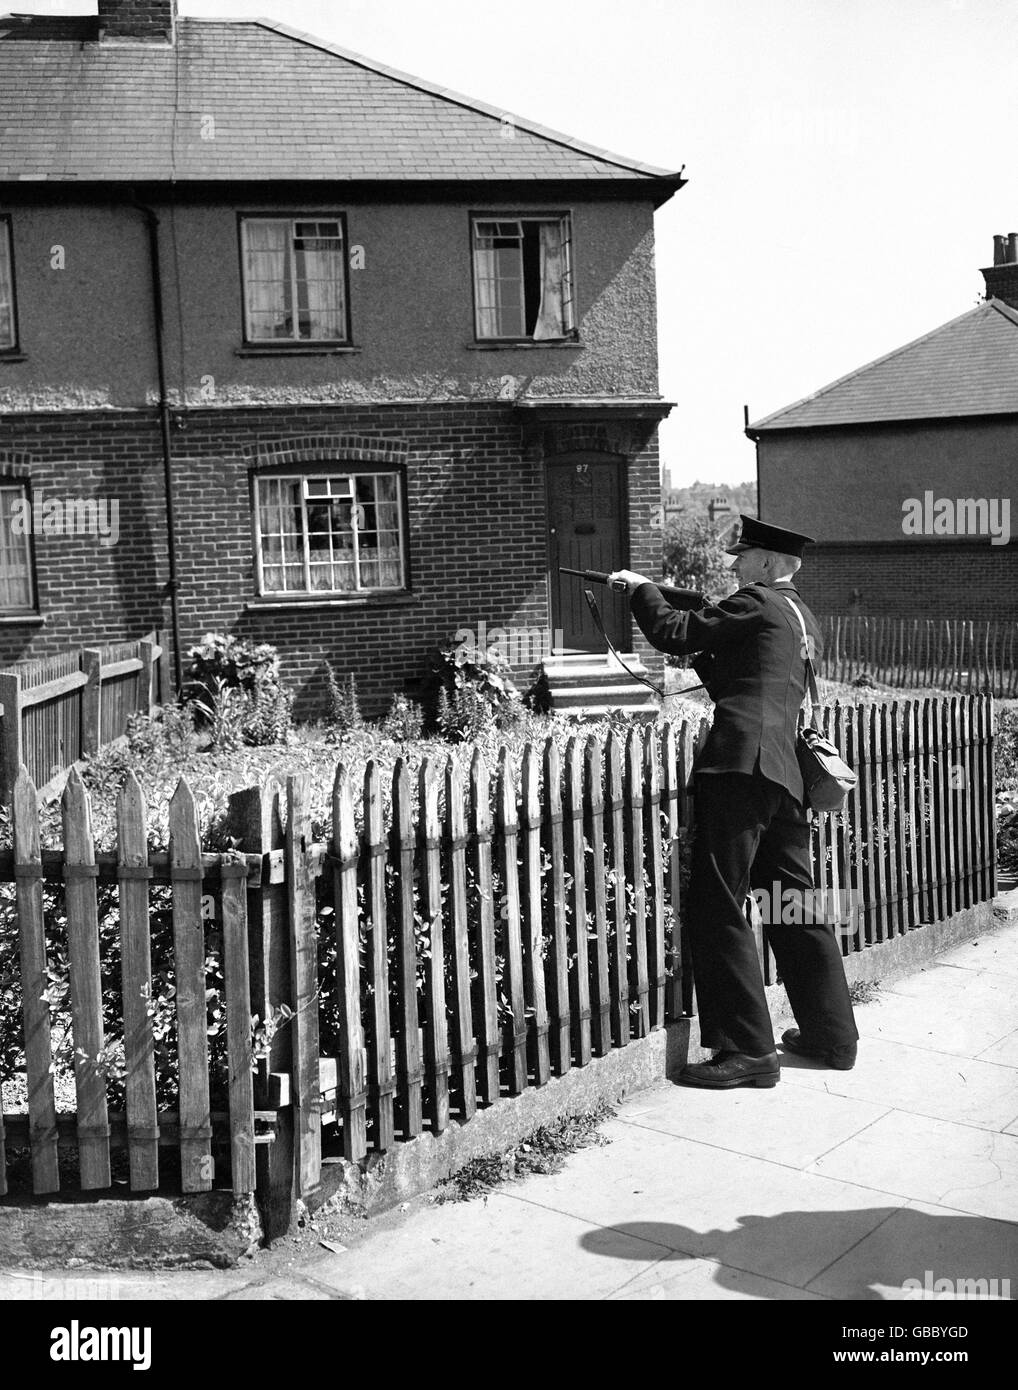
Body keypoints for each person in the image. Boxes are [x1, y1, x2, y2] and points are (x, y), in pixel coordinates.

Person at [609, 514, 858, 1089]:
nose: (736, 568)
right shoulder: (800, 616)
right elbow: (745, 681)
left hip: (742, 767)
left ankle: (748, 1051)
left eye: (743, 560)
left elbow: (673, 631)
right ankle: (832, 1037)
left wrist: (642, 590)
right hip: (785, 774)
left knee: (718, 903)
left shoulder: (757, 601)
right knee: (791, 902)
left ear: (768, 563)